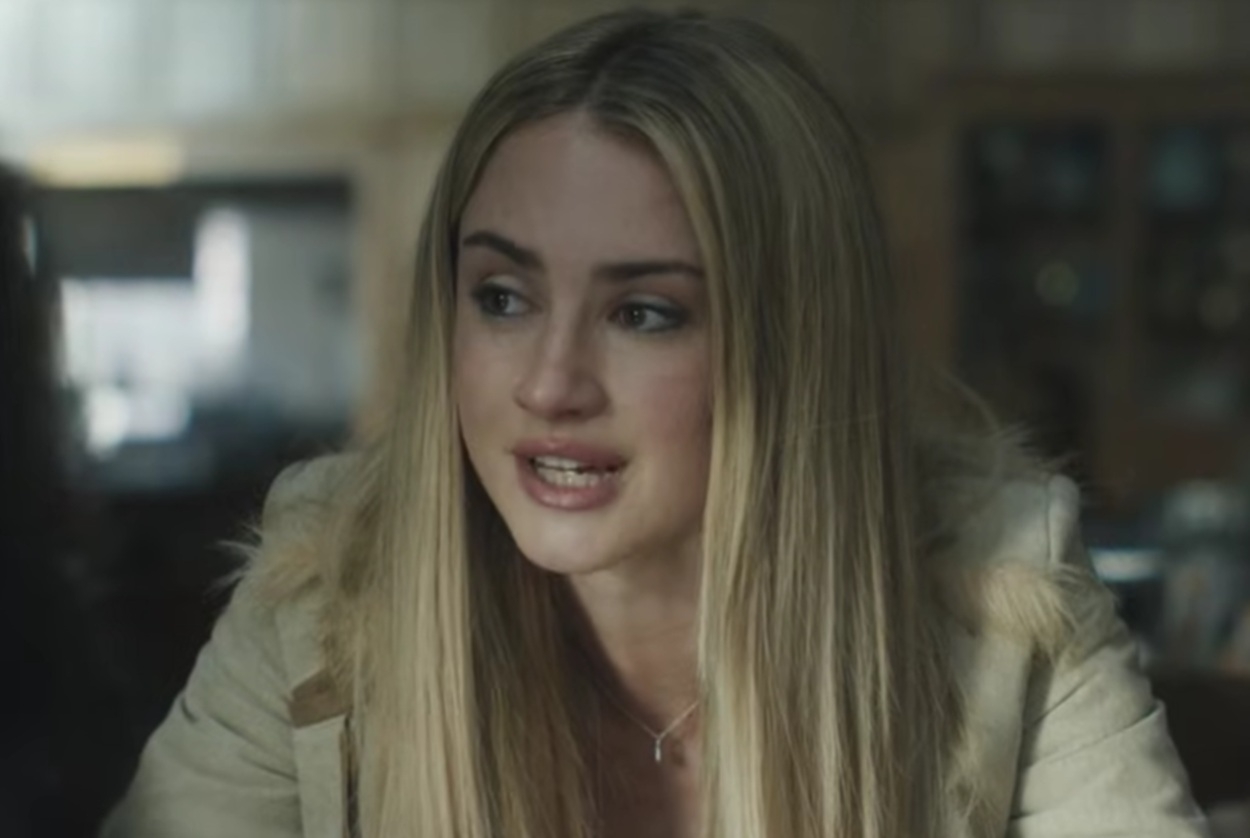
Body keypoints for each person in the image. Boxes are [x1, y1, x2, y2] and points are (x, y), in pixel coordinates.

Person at [101, 10, 1207, 838]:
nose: (549, 385)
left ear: (792, 346)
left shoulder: (997, 586)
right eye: (502, 297)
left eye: (643, 312)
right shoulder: (326, 592)